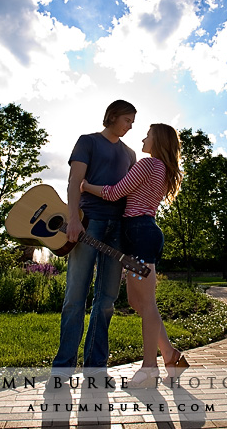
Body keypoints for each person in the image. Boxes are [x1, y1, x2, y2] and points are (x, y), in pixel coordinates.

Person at [81, 123, 189, 388]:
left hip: (140, 233)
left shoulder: (149, 164)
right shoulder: (163, 169)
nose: (143, 138)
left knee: (147, 302)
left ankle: (149, 369)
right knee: (137, 301)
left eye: (148, 135)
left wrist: (85, 186)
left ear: (158, 141)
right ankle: (171, 355)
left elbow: (114, 192)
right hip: (140, 233)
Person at [52, 100, 137, 378]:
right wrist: (73, 219)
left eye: (133, 121)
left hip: (118, 228)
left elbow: (129, 192)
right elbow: (74, 181)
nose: (131, 126)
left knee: (107, 300)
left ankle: (96, 368)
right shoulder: (87, 142)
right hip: (88, 224)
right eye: (127, 119)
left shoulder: (130, 154)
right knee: (75, 298)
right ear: (112, 116)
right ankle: (63, 368)